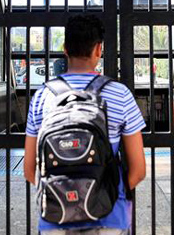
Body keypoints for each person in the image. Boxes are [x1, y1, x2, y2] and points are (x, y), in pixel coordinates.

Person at [24, 15, 146, 235]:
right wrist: (108, 196)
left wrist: (62, 196)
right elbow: (138, 170)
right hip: (109, 218)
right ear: (99, 49)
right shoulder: (120, 94)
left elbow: (29, 170)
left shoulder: (42, 96)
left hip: (54, 219)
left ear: (65, 49)